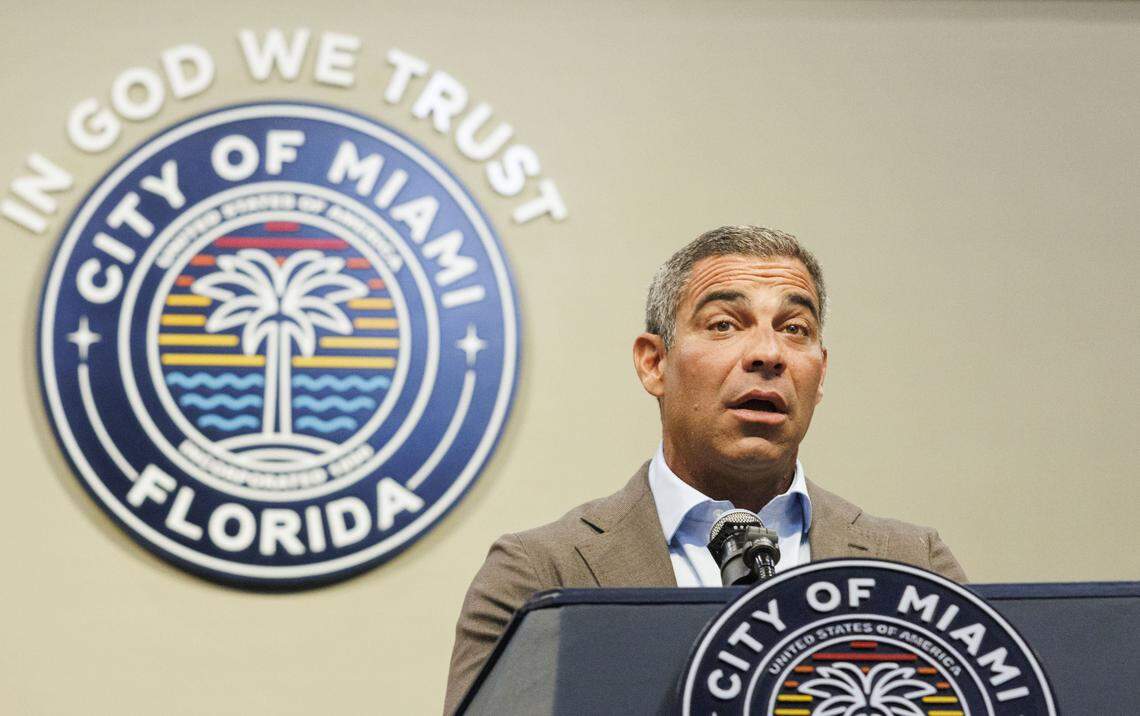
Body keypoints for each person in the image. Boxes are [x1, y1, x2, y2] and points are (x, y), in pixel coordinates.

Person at [443, 226, 966, 712]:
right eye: (723, 325)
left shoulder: (913, 565)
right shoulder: (539, 575)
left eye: (794, 328)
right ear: (655, 363)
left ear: (821, 373)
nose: (768, 353)